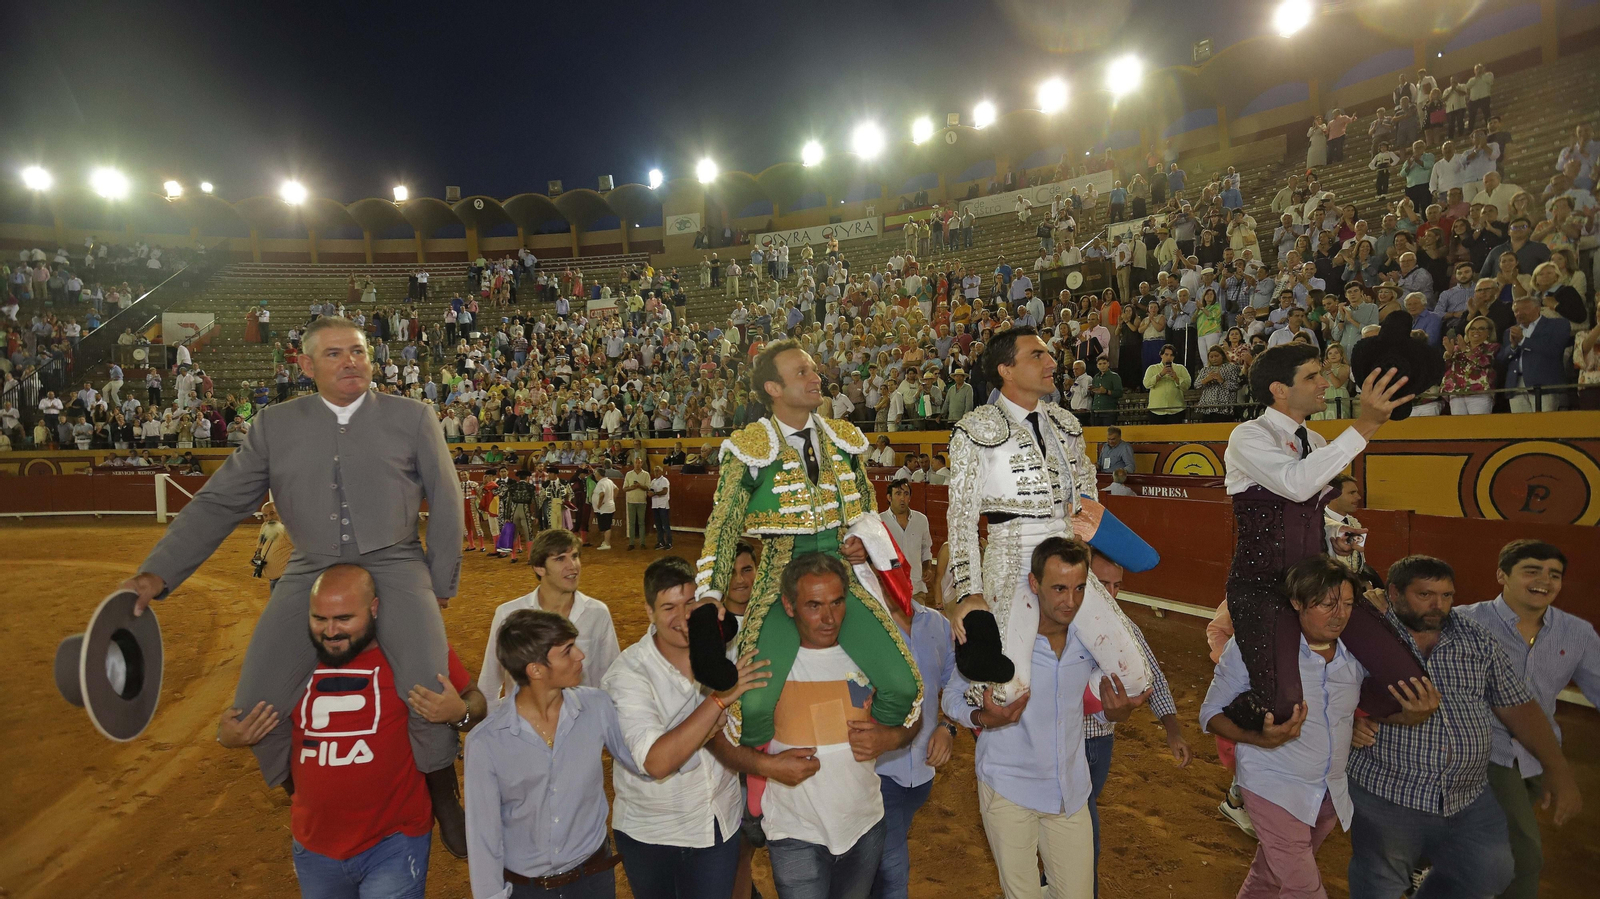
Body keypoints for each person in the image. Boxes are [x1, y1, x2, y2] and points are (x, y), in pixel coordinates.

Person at [113, 316, 468, 854]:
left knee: (428, 688)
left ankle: (443, 796)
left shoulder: (412, 416)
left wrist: (439, 577)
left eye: (358, 351)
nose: (350, 362)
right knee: (255, 703)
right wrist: (158, 572)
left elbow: (447, 497)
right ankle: (305, 792)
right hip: (311, 567)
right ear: (305, 366)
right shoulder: (273, 425)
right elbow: (218, 501)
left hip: (395, 563)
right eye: (334, 354)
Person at [690, 340, 922, 755]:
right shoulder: (750, 448)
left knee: (903, 686)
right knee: (754, 705)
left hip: (842, 577)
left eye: (814, 369)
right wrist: (708, 595)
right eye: (802, 372)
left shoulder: (845, 440)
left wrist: (863, 544)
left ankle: (857, 757)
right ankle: (763, 785)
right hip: (782, 580)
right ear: (773, 389)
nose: (816, 378)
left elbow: (868, 510)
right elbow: (722, 527)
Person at [217, 565, 484, 897]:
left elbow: (476, 701)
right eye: (319, 619)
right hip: (315, 845)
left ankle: (446, 802)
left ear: (373, 609)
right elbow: (236, 723)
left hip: (395, 842)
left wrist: (461, 712)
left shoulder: (412, 651)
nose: (331, 631)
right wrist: (227, 737)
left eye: (344, 618)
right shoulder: (291, 661)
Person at [1345, 555, 1582, 899]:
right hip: (1389, 790)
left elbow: (1518, 706)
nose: (1437, 606)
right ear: (1393, 592)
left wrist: (1556, 767)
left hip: (1467, 792)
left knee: (1488, 873)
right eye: (1425, 595)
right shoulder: (1363, 633)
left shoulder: (1475, 637)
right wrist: (1351, 720)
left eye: (1446, 596)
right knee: (1380, 882)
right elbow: (1323, 690)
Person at [1202, 557, 1439, 899]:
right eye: (1328, 605)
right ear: (1297, 603)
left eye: (1347, 605)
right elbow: (1210, 714)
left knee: (1269, 877)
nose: (1340, 615)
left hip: (1329, 793)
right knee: (1304, 889)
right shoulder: (1254, 649)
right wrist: (1259, 738)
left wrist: (1411, 715)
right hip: (1273, 787)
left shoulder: (1355, 655)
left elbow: (1363, 712)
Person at [945, 327, 1156, 709]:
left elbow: (1086, 501)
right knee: (1004, 691)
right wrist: (969, 592)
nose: (1051, 362)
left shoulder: (1065, 424)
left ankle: (1064, 708)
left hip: (1067, 562)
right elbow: (960, 519)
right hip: (1012, 560)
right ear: (1006, 370)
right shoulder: (975, 430)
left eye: (1048, 354)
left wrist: (1086, 558)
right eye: (1037, 356)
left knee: (1135, 680)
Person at [1220, 344, 1426, 734]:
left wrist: (1333, 536)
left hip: (1320, 582)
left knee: (1408, 685)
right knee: (1279, 707)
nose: (1325, 384)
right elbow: (1296, 486)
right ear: (1280, 389)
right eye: (1312, 376)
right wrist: (1366, 424)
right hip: (1262, 585)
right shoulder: (1248, 436)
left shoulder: (1313, 440)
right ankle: (1222, 725)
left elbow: (1309, 506)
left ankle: (1341, 714)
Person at [943, 538, 1150, 899]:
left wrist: (1113, 712)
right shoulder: (1000, 632)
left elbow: (1087, 703)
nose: (1070, 601)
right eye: (1059, 588)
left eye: (1079, 588)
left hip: (1069, 792)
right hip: (1009, 789)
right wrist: (983, 717)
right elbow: (951, 696)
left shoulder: (1092, 639)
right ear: (1034, 584)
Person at [705, 554, 921, 899]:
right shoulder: (760, 662)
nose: (829, 618)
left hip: (864, 825)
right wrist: (766, 766)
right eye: (814, 605)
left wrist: (892, 736)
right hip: (794, 832)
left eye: (837, 603)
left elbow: (913, 715)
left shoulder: (868, 653)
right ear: (788, 606)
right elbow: (712, 735)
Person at [602, 557, 773, 899]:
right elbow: (656, 761)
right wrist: (720, 701)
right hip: (655, 836)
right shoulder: (627, 675)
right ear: (649, 610)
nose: (683, 618)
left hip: (719, 825)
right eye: (668, 607)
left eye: (690, 603)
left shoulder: (723, 649)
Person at [464, 610, 641, 899]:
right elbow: (483, 838)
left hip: (593, 881)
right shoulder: (486, 743)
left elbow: (643, 761)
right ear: (535, 670)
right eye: (567, 651)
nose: (581, 656)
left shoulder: (597, 707)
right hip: (526, 891)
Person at [1456, 541, 1599, 899]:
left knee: (1493, 844)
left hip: (1536, 757)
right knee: (1526, 856)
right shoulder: (1463, 620)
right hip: (1481, 753)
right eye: (1531, 570)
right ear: (1502, 575)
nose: (1544, 580)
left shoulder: (1576, 632)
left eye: (1554, 574)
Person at [1082, 552, 1190, 890]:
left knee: (1078, 824)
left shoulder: (1125, 627)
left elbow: (1153, 676)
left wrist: (1173, 730)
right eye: (1102, 585)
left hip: (1099, 741)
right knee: (1083, 833)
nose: (1110, 594)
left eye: (1117, 586)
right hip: (1067, 743)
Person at [479, 529, 620, 704]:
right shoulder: (508, 615)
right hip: (524, 726)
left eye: (575, 556)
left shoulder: (598, 613)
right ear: (539, 568)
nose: (573, 566)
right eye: (560, 559)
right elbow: (489, 682)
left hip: (583, 724)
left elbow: (611, 679)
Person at [1497, 295, 1570, 413]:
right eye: (1516, 310)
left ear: (1538, 309)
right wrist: (1513, 347)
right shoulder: (1509, 332)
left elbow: (1554, 350)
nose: (1519, 313)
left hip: (1544, 384)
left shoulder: (1557, 325)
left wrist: (1524, 341)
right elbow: (1502, 359)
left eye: (1524, 309)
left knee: (1544, 425)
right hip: (1516, 385)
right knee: (1521, 427)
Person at [879, 478, 935, 605]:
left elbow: (926, 548)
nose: (902, 498)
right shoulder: (879, 521)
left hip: (916, 586)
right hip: (891, 587)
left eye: (906, 494)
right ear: (889, 497)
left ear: (910, 497)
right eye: (898, 494)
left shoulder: (921, 520)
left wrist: (927, 568)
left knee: (919, 623)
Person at [251, 500, 294, 590]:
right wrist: (257, 555)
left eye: (272, 513)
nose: (269, 518)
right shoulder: (265, 526)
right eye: (265, 516)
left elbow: (303, 550)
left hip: (286, 580)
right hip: (273, 579)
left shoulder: (289, 529)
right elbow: (260, 544)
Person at [622, 456, 652, 551]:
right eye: (636, 462)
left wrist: (639, 486)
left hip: (641, 501)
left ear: (641, 463)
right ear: (634, 463)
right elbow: (624, 488)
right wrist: (633, 487)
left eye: (639, 463)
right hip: (631, 500)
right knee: (632, 523)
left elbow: (647, 488)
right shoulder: (629, 474)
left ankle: (642, 543)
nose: (637, 464)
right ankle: (632, 543)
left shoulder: (646, 474)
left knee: (641, 523)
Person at [591, 468, 617, 550]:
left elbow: (602, 494)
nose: (595, 475)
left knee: (606, 527)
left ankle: (607, 543)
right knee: (606, 525)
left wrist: (599, 504)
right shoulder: (609, 481)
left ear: (599, 475)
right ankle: (605, 542)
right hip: (608, 506)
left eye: (596, 473)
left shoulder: (601, 483)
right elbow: (616, 489)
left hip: (604, 508)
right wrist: (612, 499)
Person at [648, 464, 673, 549]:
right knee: (658, 525)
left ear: (661, 471)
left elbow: (664, 491)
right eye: (655, 471)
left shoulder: (664, 480)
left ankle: (669, 543)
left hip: (663, 505)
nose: (656, 472)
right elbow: (651, 491)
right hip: (655, 505)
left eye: (658, 470)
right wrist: (649, 493)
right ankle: (661, 542)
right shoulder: (653, 481)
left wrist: (654, 493)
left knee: (665, 525)